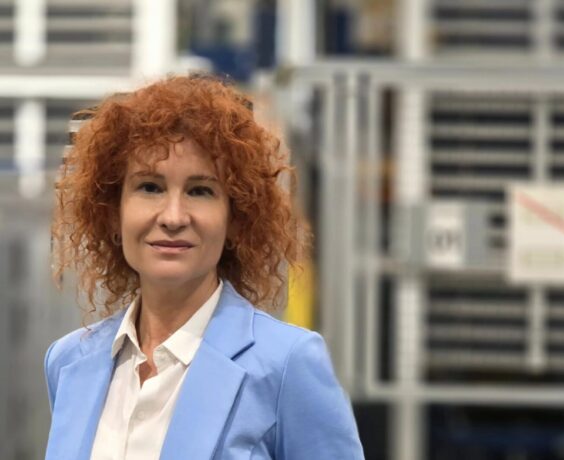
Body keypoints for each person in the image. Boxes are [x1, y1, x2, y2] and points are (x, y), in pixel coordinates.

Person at [44, 75, 365, 460]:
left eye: (200, 191)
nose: (173, 217)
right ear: (113, 214)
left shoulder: (288, 364)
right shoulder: (69, 362)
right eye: (150, 187)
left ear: (235, 220)